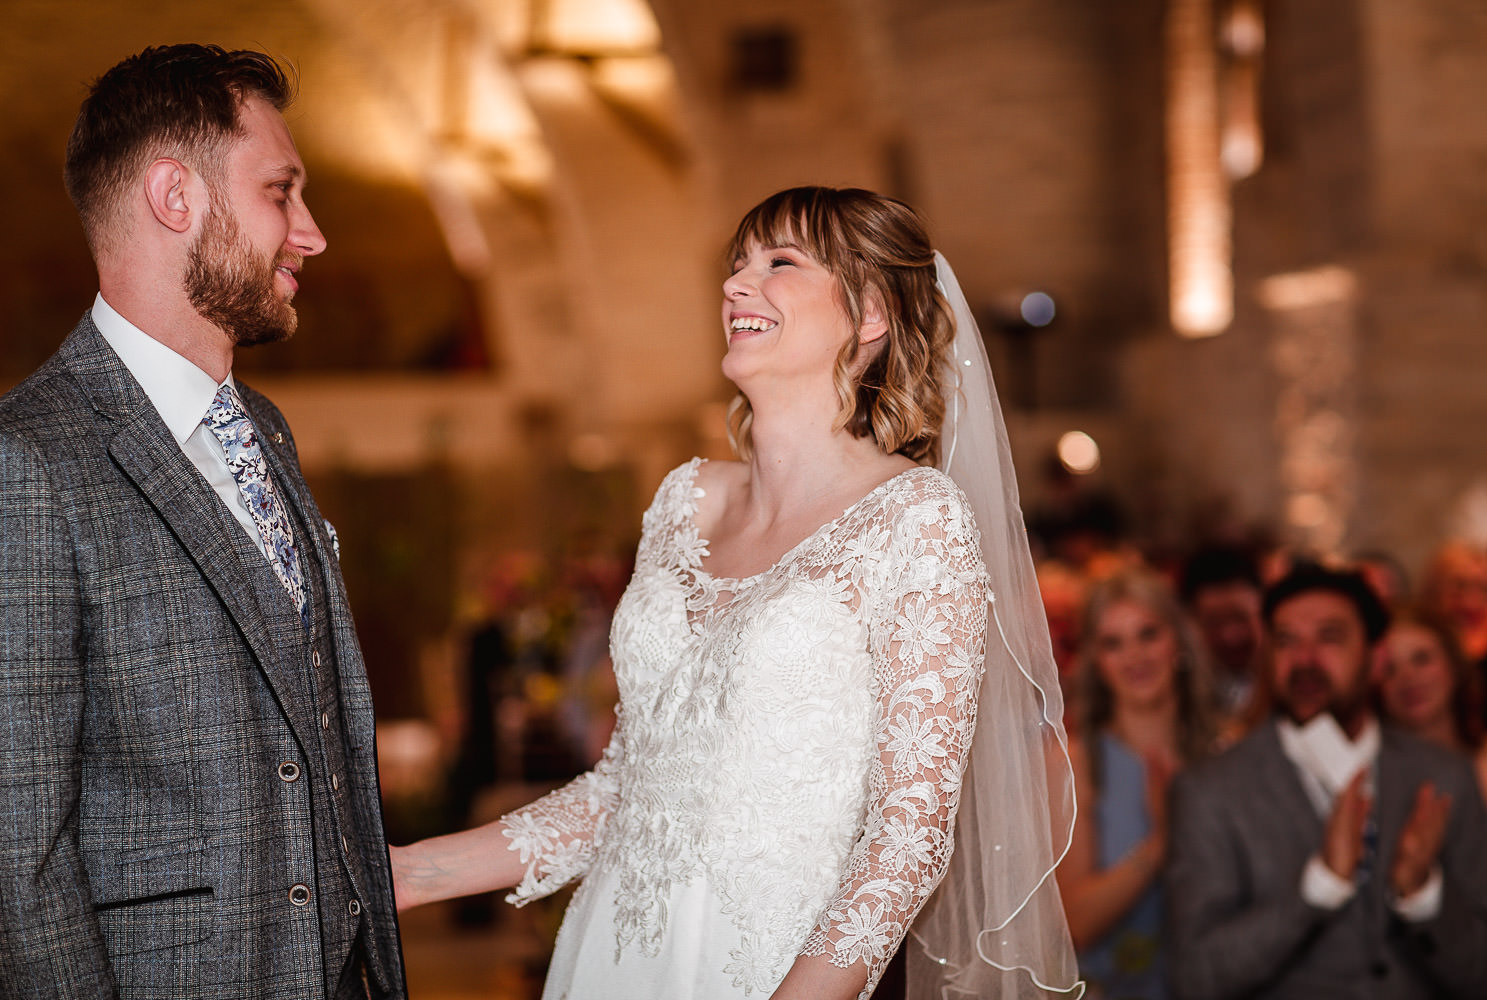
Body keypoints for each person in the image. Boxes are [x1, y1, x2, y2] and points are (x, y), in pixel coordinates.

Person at [390, 186, 1079, 1000]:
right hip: (612, 956)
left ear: (871, 317)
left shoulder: (917, 519)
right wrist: (407, 873)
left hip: (776, 968)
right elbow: (630, 787)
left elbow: (908, 838)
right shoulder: (687, 500)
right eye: (737, 264)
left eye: (780, 262)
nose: (736, 285)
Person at [0, 45, 405, 998]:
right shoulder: (29, 460)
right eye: (281, 191)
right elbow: (16, 845)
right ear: (175, 198)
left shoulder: (263, 428)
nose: (310, 234)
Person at [1167, 564, 1487, 999]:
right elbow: (1196, 977)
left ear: (1375, 658)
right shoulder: (1211, 790)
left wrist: (1423, 895)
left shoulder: (1443, 776)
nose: (1305, 660)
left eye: (1329, 637)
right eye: (1286, 641)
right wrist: (1319, 888)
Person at [1058, 569, 1218, 1000]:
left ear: (1178, 642)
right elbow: (1075, 925)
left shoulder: (1227, 753)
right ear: (1096, 660)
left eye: (1148, 634)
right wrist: (1161, 843)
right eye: (1113, 643)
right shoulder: (1078, 764)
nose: (1135, 656)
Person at [1376, 607, 1487, 869]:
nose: (1408, 679)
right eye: (1390, 669)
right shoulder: (1375, 777)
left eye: (1421, 659)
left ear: (1454, 666)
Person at [1178, 544, 1264, 720]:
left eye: (1240, 617)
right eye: (1213, 622)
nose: (1229, 636)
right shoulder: (1180, 695)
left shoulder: (1288, 682)